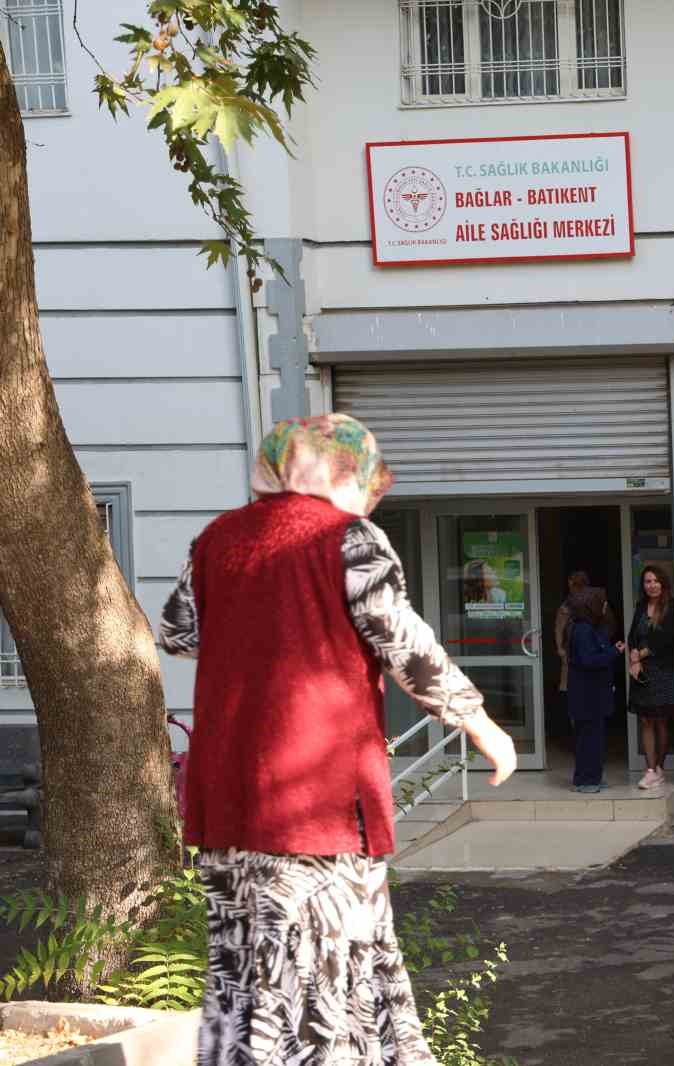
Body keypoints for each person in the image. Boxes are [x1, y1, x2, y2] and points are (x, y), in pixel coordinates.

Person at [157, 414, 517, 1066]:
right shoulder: (348, 539)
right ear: (340, 472)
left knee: (244, 974)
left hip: (227, 800)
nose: (369, 497)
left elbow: (179, 634)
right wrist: (480, 724)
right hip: (317, 803)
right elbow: (403, 642)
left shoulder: (216, 540)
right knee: (327, 980)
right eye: (365, 480)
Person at [565, 587, 626, 793]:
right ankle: (586, 781)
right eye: (602, 602)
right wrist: (614, 652)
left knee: (593, 737)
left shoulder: (590, 627)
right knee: (589, 739)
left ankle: (590, 778)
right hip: (588, 696)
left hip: (592, 694)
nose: (605, 605)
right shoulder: (583, 629)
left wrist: (610, 651)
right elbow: (589, 660)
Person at [627, 565, 674, 790]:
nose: (652, 585)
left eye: (656, 581)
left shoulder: (671, 606)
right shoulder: (641, 606)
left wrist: (640, 656)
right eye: (648, 581)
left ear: (663, 583)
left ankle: (659, 768)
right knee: (645, 720)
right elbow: (632, 635)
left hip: (662, 670)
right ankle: (650, 770)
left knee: (661, 721)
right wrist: (633, 655)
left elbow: (665, 638)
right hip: (642, 672)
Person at [552, 570, 590, 719]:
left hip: (586, 653)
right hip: (573, 652)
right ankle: (576, 723)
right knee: (574, 690)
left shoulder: (592, 602)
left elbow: (558, 629)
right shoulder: (567, 606)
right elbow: (559, 628)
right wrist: (560, 649)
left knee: (582, 691)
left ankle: (580, 722)